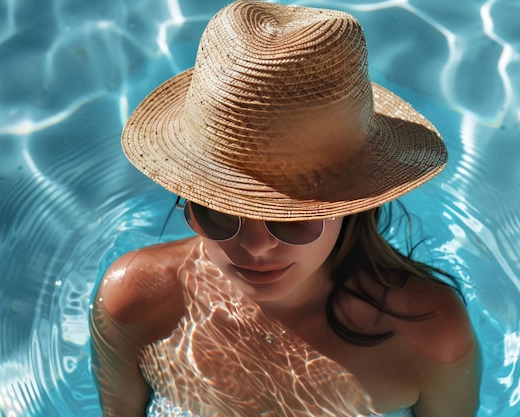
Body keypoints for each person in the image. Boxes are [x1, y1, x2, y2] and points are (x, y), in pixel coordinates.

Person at [90, 1, 481, 416]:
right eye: (220, 211)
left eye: (290, 217)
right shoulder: (136, 302)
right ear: (187, 200)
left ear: (352, 203)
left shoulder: (428, 336)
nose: (256, 246)